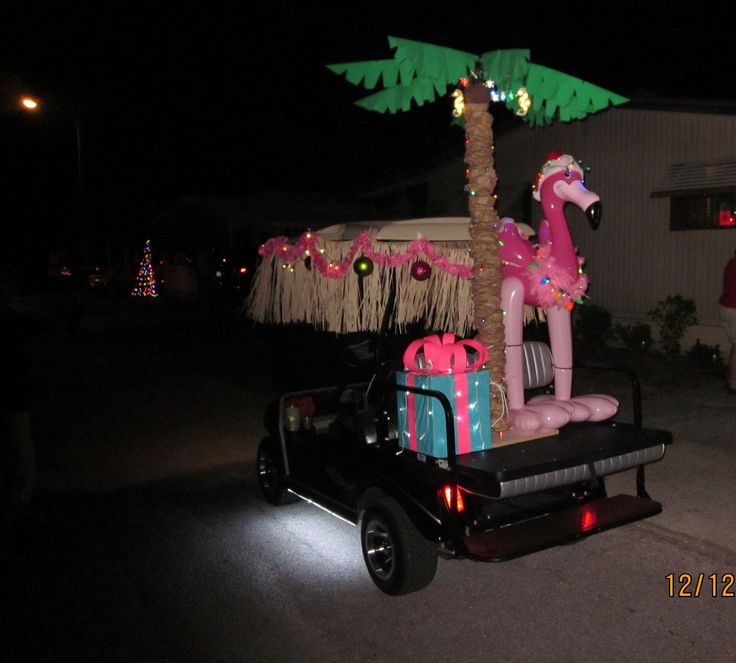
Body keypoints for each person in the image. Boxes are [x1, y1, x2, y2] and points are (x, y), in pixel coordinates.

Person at [0, 270, 37, 537]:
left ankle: (17, 504)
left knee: (16, 454)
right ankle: (19, 508)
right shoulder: (15, 322)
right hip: (15, 399)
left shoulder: (16, 322)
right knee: (20, 455)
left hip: (15, 398)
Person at [718, 248, 736, 394]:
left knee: (735, 346)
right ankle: (733, 384)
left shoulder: (731, 263)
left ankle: (730, 377)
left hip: (725, 307)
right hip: (735, 309)